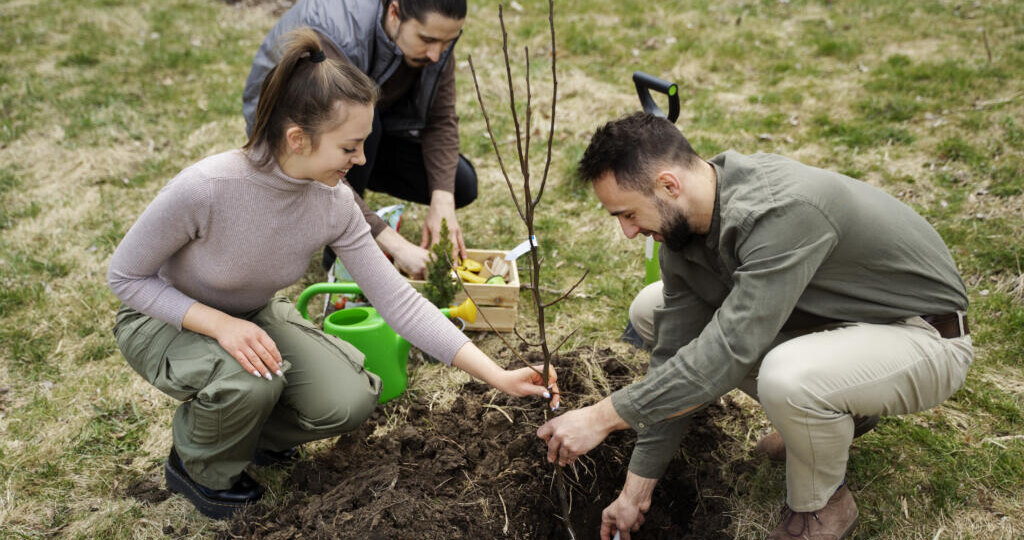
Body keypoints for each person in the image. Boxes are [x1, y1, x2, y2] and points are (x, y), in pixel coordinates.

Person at [108, 28, 557, 520]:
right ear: (297, 139)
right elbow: (126, 278)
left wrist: (497, 376)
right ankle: (198, 465)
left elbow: (398, 301)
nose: (361, 160)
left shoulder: (335, 203)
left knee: (349, 399)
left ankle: (241, 433)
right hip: (162, 318)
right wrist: (219, 325)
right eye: (350, 147)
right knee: (252, 383)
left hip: (250, 314)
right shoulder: (206, 188)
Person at [536, 113, 973, 540]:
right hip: (838, 325)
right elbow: (675, 357)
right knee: (651, 308)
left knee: (788, 377)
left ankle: (823, 506)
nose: (629, 232)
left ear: (669, 185)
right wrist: (635, 494)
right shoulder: (684, 235)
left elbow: (728, 352)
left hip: (922, 336)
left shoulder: (780, 211)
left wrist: (602, 417)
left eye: (628, 214)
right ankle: (828, 422)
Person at [243, 0, 476, 279]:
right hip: (294, 143)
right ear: (394, 12)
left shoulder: (432, 40)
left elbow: (440, 120)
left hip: (362, 128)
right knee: (365, 127)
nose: (436, 54)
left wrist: (443, 201)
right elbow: (319, 147)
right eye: (427, 40)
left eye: (447, 42)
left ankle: (354, 200)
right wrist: (390, 241)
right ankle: (343, 246)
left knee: (459, 184)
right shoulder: (334, 35)